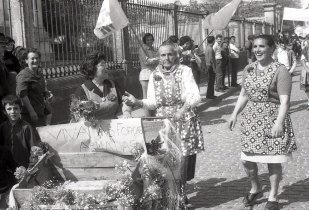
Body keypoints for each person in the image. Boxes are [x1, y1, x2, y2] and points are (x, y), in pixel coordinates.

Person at [123, 42, 204, 204]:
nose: (166, 58)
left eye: (170, 54)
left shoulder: (185, 71)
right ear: (158, 57)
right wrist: (137, 102)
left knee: (182, 159)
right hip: (161, 122)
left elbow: (195, 95)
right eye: (163, 55)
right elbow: (152, 102)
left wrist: (182, 109)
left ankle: (181, 194)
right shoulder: (154, 75)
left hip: (184, 120)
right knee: (162, 159)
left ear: (176, 55)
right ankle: (167, 194)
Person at [228, 35, 297, 210]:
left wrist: (279, 123)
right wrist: (235, 113)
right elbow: (244, 94)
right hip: (252, 120)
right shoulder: (249, 68)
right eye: (255, 46)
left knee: (272, 160)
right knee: (247, 160)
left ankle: (273, 196)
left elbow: (285, 102)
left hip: (273, 118)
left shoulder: (280, 71)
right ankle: (256, 187)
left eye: (262, 47)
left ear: (271, 48)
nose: (257, 50)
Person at [74, 51, 131, 119]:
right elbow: (78, 115)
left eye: (105, 64)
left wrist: (126, 112)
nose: (106, 68)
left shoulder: (113, 85)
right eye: (102, 65)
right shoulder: (82, 90)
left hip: (115, 126)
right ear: (92, 68)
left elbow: (124, 102)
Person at [0, 95, 41, 168]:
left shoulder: (26, 127)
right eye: (9, 109)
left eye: (16, 108)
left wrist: (31, 166)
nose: (13, 112)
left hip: (24, 166)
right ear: (4, 112)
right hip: (8, 167)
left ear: (20, 110)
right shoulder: (2, 127)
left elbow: (34, 149)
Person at [16, 48, 52, 127]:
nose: (35, 61)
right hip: (28, 114)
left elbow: (41, 91)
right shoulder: (23, 75)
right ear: (26, 60)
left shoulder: (39, 74)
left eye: (37, 58)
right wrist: (31, 111)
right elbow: (23, 95)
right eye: (32, 58)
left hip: (40, 111)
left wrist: (47, 94)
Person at [139, 33, 159, 100]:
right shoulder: (142, 49)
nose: (150, 41)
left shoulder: (153, 49)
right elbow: (146, 62)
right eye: (147, 40)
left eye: (151, 39)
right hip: (145, 75)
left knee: (153, 96)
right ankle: (146, 110)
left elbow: (156, 63)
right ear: (145, 41)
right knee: (146, 97)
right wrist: (157, 59)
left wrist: (156, 60)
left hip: (153, 73)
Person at [300, 34, 309, 110]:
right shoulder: (305, 49)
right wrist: (306, 68)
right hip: (307, 68)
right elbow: (302, 60)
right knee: (306, 87)